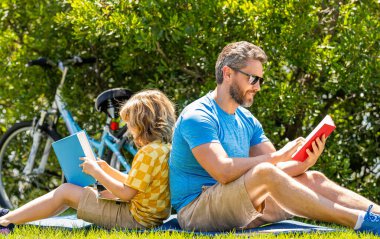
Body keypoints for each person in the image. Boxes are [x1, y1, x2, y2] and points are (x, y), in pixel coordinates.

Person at [169, 41, 380, 235]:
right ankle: (361, 222)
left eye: (260, 80)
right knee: (264, 171)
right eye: (252, 79)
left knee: (313, 178)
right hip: (198, 211)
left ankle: (377, 215)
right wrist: (277, 156)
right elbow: (224, 171)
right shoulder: (197, 116)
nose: (257, 87)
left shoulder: (246, 120)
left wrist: (304, 163)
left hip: (239, 203)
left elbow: (277, 174)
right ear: (227, 73)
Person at [0, 89, 176, 234]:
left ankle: (5, 221)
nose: (128, 129)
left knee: (65, 191)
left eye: (130, 124)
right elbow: (137, 185)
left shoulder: (147, 153)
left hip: (134, 219)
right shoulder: (163, 149)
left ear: (141, 123)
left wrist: (96, 172)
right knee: (75, 193)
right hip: (149, 218)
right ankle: (13, 219)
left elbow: (126, 194)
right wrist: (107, 169)